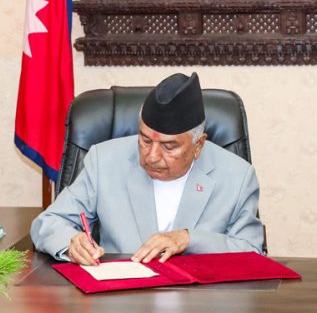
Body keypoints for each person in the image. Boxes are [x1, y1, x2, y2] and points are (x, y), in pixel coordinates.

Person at [31, 72, 264, 266]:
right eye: (144, 140)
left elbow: (252, 252)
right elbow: (48, 223)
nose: (151, 156)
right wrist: (72, 243)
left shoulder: (237, 176)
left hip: (200, 303)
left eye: (168, 146)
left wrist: (189, 240)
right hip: (121, 298)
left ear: (198, 145)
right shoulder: (105, 161)